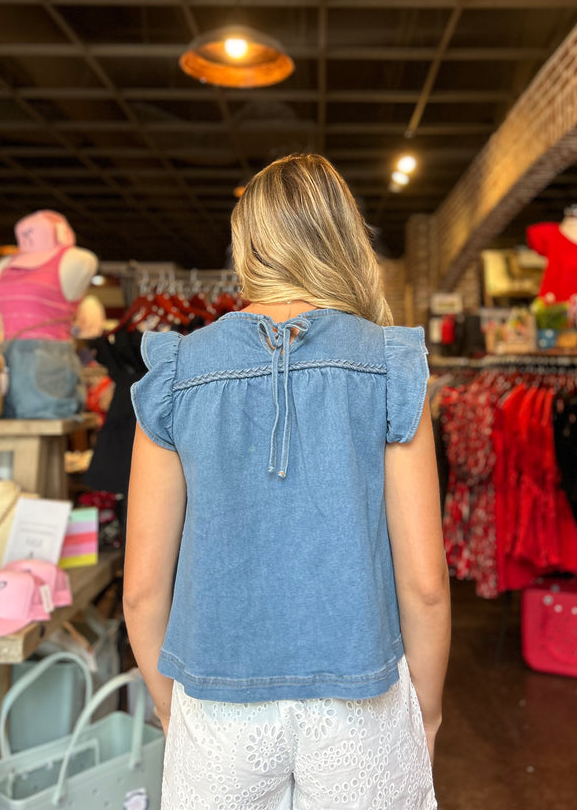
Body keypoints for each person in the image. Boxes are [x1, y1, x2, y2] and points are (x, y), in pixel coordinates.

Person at [124, 153, 451, 809]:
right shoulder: (388, 365)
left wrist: (172, 709)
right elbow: (425, 584)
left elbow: (140, 592)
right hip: (360, 699)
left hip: (216, 699)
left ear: (248, 243)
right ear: (345, 239)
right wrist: (430, 713)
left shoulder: (178, 370)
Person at [0, 209, 98, 418]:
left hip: (47, 363)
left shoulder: (76, 260)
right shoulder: (5, 265)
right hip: (5, 359)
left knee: (44, 432)